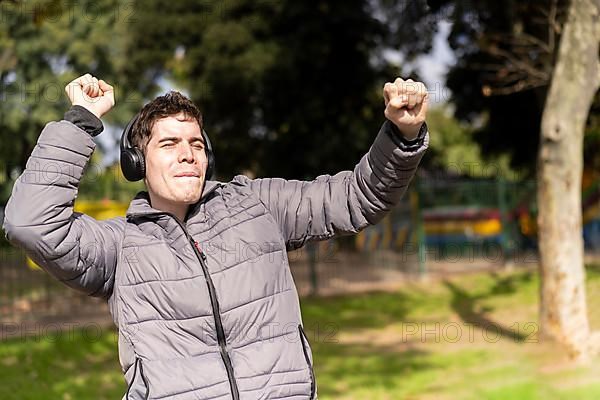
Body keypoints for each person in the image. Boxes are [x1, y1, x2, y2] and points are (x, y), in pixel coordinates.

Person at [2, 73, 429, 399]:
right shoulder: (119, 246)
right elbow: (30, 223)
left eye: (196, 143)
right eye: (168, 144)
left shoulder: (257, 204)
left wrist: (401, 135)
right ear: (137, 162)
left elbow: (358, 196)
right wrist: (81, 122)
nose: (187, 153)